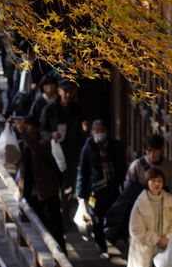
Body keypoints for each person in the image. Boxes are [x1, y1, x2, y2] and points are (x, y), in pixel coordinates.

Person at [14, 114, 66, 253]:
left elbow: (36, 148)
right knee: (37, 226)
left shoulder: (45, 142)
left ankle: (61, 254)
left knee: (55, 227)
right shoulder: (25, 142)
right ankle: (43, 253)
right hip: (32, 192)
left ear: (36, 128)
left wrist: (23, 132)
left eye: (28, 126)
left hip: (48, 191)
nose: (26, 128)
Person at [41, 80, 88, 230]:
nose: (68, 95)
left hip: (72, 153)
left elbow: (81, 133)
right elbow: (41, 130)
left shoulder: (77, 109)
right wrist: (50, 135)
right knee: (56, 187)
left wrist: (84, 129)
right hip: (55, 154)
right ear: (59, 91)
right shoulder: (50, 109)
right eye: (65, 91)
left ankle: (68, 217)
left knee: (70, 187)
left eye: (70, 91)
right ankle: (56, 219)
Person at [75, 119, 125, 257]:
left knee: (114, 214)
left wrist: (122, 183)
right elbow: (82, 169)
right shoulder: (89, 146)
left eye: (101, 131)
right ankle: (101, 246)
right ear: (91, 132)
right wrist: (80, 193)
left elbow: (121, 165)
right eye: (96, 131)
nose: (99, 133)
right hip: (95, 189)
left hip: (112, 186)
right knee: (96, 218)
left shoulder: (114, 145)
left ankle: (112, 238)